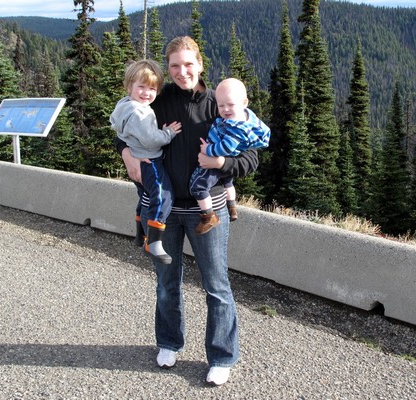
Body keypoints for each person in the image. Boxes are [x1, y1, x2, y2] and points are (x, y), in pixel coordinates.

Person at [114, 36, 258, 386]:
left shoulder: (218, 103)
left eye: (188, 64)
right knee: (166, 282)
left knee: (216, 285)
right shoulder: (156, 103)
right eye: (175, 65)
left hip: (208, 211)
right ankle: (168, 342)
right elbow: (125, 132)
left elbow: (251, 157)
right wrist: (125, 153)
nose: (182, 72)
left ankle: (222, 356)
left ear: (200, 64)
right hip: (162, 210)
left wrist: (221, 161)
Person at [110, 59, 182, 264]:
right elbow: (151, 139)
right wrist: (168, 133)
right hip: (150, 160)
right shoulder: (140, 112)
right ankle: (154, 242)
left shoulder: (124, 105)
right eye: (141, 87)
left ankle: (140, 233)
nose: (146, 93)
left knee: (145, 196)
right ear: (129, 86)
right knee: (162, 196)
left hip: (138, 159)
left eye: (152, 88)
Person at [189, 77, 270, 234]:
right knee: (228, 182)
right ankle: (232, 206)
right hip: (222, 172)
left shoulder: (236, 127)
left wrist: (208, 151)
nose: (225, 109)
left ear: (244, 103)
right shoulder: (246, 119)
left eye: (231, 105)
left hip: (213, 165)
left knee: (197, 187)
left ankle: (208, 216)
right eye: (221, 106)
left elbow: (226, 148)